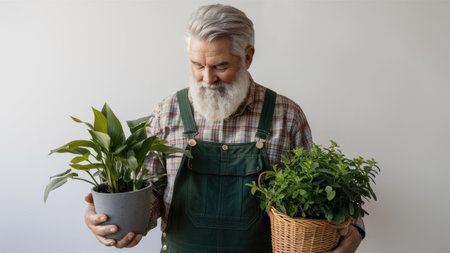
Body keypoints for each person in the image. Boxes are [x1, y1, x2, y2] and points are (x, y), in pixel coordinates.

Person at [84, 4, 365, 252]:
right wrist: (110, 218)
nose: (207, 78)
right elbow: (152, 195)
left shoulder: (286, 116)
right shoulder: (168, 112)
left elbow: (321, 191)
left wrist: (355, 230)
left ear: (248, 56)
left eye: (220, 66)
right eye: (197, 65)